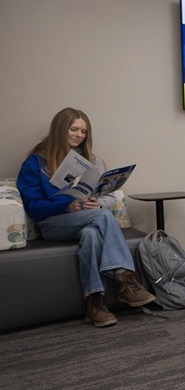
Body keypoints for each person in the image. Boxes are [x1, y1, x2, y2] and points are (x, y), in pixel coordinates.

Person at [17, 107, 155, 328]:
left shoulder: (92, 162)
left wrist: (95, 202)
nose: (79, 135)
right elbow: (33, 206)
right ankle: (125, 279)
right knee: (100, 218)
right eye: (74, 129)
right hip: (52, 224)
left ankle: (95, 304)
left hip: (86, 219)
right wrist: (68, 205)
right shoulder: (35, 163)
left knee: (91, 234)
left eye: (83, 131)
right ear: (60, 129)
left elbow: (108, 195)